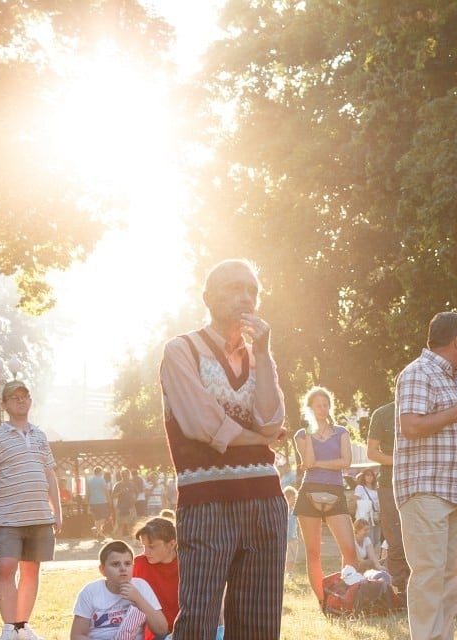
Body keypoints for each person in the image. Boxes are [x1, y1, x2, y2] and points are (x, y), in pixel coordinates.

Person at [159, 258, 287, 639]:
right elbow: (201, 425)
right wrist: (260, 436)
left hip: (266, 500)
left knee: (259, 624)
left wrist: (263, 354)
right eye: (235, 288)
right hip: (206, 500)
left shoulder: (259, 357)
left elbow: (272, 419)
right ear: (208, 297)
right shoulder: (182, 350)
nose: (246, 297)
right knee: (198, 618)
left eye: (253, 291)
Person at [394, 311, 457, 640]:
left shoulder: (454, 378)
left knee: (452, 576)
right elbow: (411, 425)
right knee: (429, 574)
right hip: (425, 489)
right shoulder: (419, 373)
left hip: (455, 490)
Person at [0, 380, 62, 640]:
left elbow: (50, 474)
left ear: (30, 400)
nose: (21, 400)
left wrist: (57, 510)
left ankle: (22, 626)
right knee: (5, 567)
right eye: (14, 397)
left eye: (24, 396)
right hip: (7, 517)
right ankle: (8, 626)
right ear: (4, 404)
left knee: (31, 570)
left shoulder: (40, 435)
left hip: (38, 516)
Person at [292, 386, 360, 604]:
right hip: (309, 491)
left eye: (325, 404)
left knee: (349, 550)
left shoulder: (341, 432)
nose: (321, 409)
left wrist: (317, 464)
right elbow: (308, 461)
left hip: (335, 491)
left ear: (329, 407)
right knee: (313, 553)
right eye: (317, 405)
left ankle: (346, 597)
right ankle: (325, 603)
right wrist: (310, 432)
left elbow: (346, 462)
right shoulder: (301, 435)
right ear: (310, 408)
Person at [70, 540, 167, 640]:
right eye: (115, 564)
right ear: (102, 570)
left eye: (127, 563)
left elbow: (162, 630)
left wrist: (138, 599)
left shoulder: (141, 586)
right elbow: (77, 635)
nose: (123, 568)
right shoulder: (90, 591)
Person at [366, 401, 410, 594]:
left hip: (420, 482)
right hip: (389, 484)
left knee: (419, 537)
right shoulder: (382, 413)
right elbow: (371, 452)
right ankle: (398, 589)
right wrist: (400, 461)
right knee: (395, 539)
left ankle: (418, 587)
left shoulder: (424, 409)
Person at [132, 517, 178, 640]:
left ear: (172, 544)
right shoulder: (138, 564)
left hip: (187, 630)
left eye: (151, 547)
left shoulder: (187, 564)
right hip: (155, 634)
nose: (146, 552)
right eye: (144, 546)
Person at [354, 469, 381, 548]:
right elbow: (356, 500)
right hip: (366, 516)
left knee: (376, 538)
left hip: (376, 516)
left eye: (371, 475)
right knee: (369, 538)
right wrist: (368, 503)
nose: (370, 477)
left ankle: (370, 553)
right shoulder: (360, 488)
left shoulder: (376, 488)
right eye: (367, 475)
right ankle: (368, 556)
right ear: (364, 477)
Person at [87, 468, 110, 542]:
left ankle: (99, 533)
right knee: (104, 517)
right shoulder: (101, 479)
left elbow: (88, 492)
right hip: (101, 501)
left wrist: (88, 502)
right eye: (102, 472)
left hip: (92, 501)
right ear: (100, 472)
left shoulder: (90, 480)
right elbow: (105, 490)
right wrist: (109, 499)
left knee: (97, 518)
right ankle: (96, 529)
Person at [112, 469, 137, 537]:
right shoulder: (118, 484)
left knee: (132, 525)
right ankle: (118, 542)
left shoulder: (132, 484)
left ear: (129, 475)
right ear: (121, 475)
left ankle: (134, 541)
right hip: (121, 507)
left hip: (131, 507)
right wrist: (120, 492)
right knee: (121, 525)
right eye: (123, 475)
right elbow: (113, 496)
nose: (125, 476)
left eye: (126, 474)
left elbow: (136, 494)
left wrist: (134, 500)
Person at [283, 486, 299, 577]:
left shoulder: (294, 511)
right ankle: (288, 572)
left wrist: (299, 535)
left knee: (293, 556)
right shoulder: (283, 511)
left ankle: (290, 571)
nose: (294, 501)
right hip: (286, 538)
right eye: (293, 499)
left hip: (294, 538)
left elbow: (297, 524)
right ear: (286, 498)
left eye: (295, 499)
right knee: (288, 557)